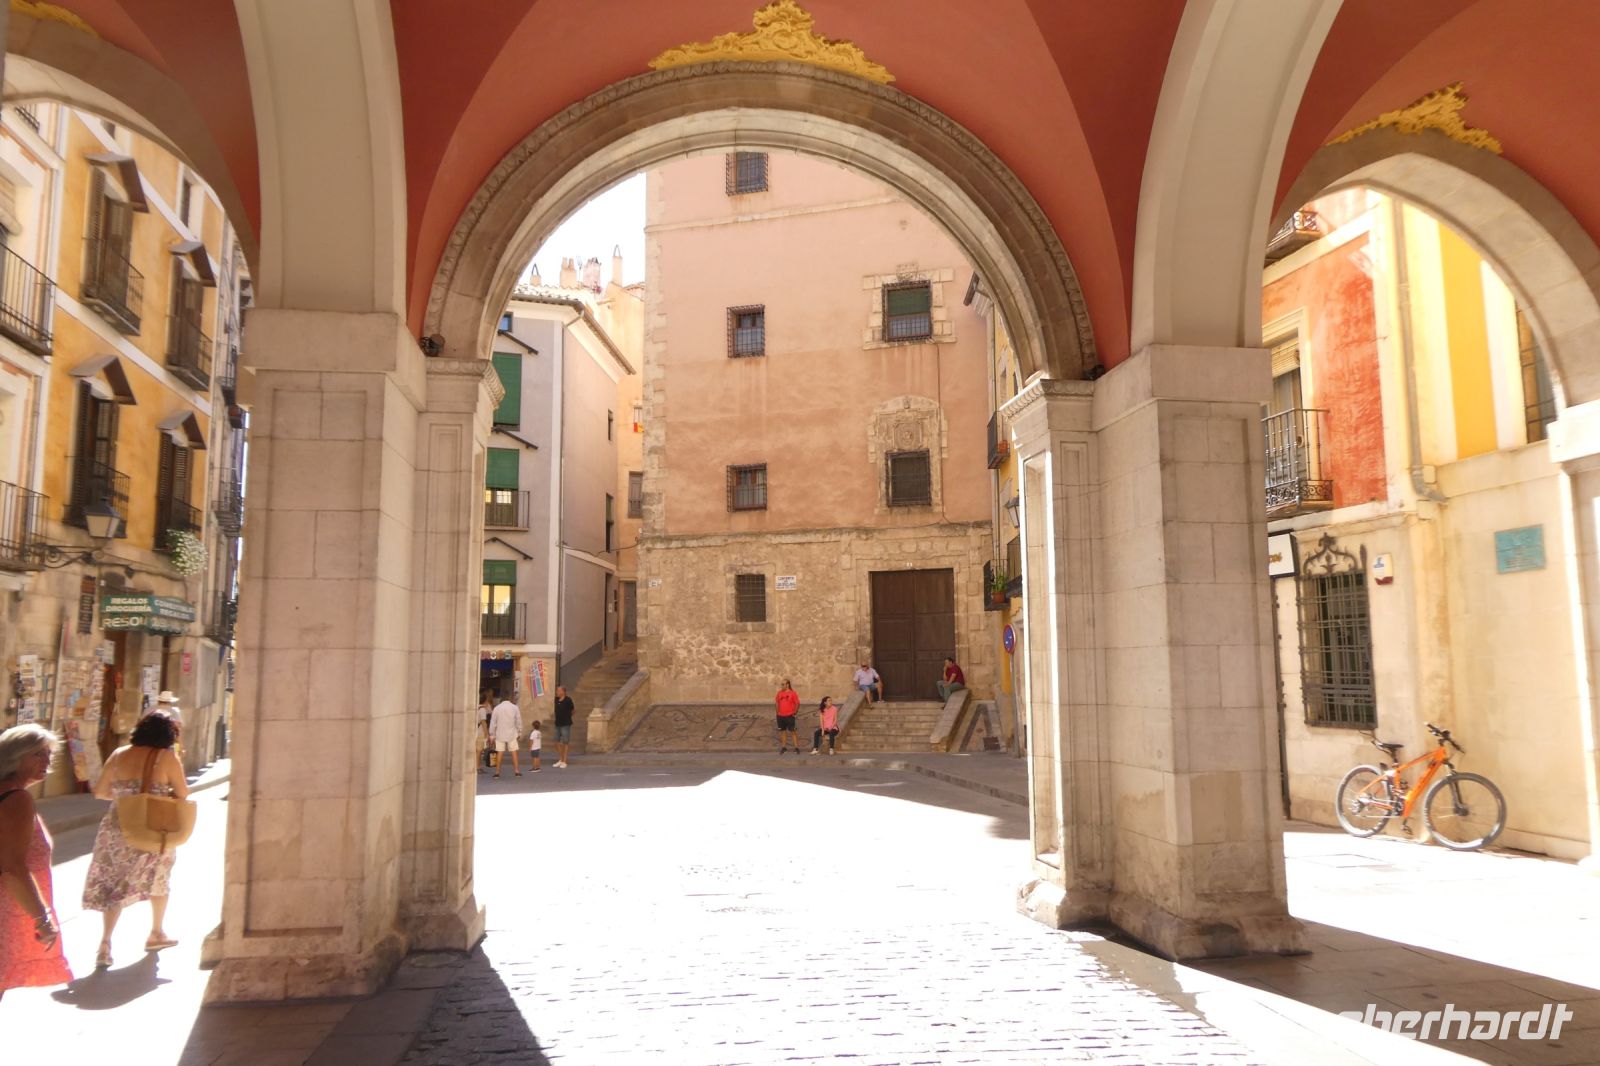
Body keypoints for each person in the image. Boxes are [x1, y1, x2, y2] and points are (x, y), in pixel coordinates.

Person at [83, 709, 189, 969]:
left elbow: (100, 792)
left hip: (117, 828)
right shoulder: (166, 758)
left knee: (113, 884)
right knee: (158, 878)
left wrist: (125, 798)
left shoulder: (118, 756)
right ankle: (156, 932)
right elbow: (183, 793)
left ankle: (105, 944)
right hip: (153, 828)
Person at [0, 724, 71, 1000]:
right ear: (15, 757)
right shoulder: (15, 799)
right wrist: (42, 919)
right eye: (39, 754)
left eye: (49, 754)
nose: (48, 761)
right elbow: (13, 867)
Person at [489, 695, 523, 777]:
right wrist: (519, 732)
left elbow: (493, 722)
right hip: (512, 733)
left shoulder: (497, 708)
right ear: (510, 699)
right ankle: (517, 771)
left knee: (500, 752)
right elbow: (518, 720)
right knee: (514, 752)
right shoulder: (515, 708)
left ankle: (497, 772)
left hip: (500, 733)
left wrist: (492, 735)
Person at [775, 679, 801, 754]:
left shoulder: (793, 693)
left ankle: (796, 748)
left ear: (787, 685)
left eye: (783, 684)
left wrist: (795, 712)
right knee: (783, 732)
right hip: (780, 716)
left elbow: (797, 703)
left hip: (790, 715)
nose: (782, 686)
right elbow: (776, 702)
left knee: (793, 731)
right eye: (781, 684)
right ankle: (784, 747)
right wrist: (777, 713)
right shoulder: (779, 693)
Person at [552, 685, 575, 769]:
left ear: (563, 692)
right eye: (556, 691)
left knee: (565, 742)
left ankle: (564, 761)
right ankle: (561, 759)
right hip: (557, 723)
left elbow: (573, 710)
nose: (557, 692)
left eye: (558, 691)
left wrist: (568, 717)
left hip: (565, 723)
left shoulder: (568, 700)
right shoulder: (556, 699)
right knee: (556, 741)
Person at [476, 692, 493, 774]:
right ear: (485, 700)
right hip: (480, 732)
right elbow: (484, 723)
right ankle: (477, 767)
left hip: (474, 732)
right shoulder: (482, 709)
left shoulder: (476, 707)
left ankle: (475, 766)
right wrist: (487, 734)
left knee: (475, 750)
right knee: (479, 750)